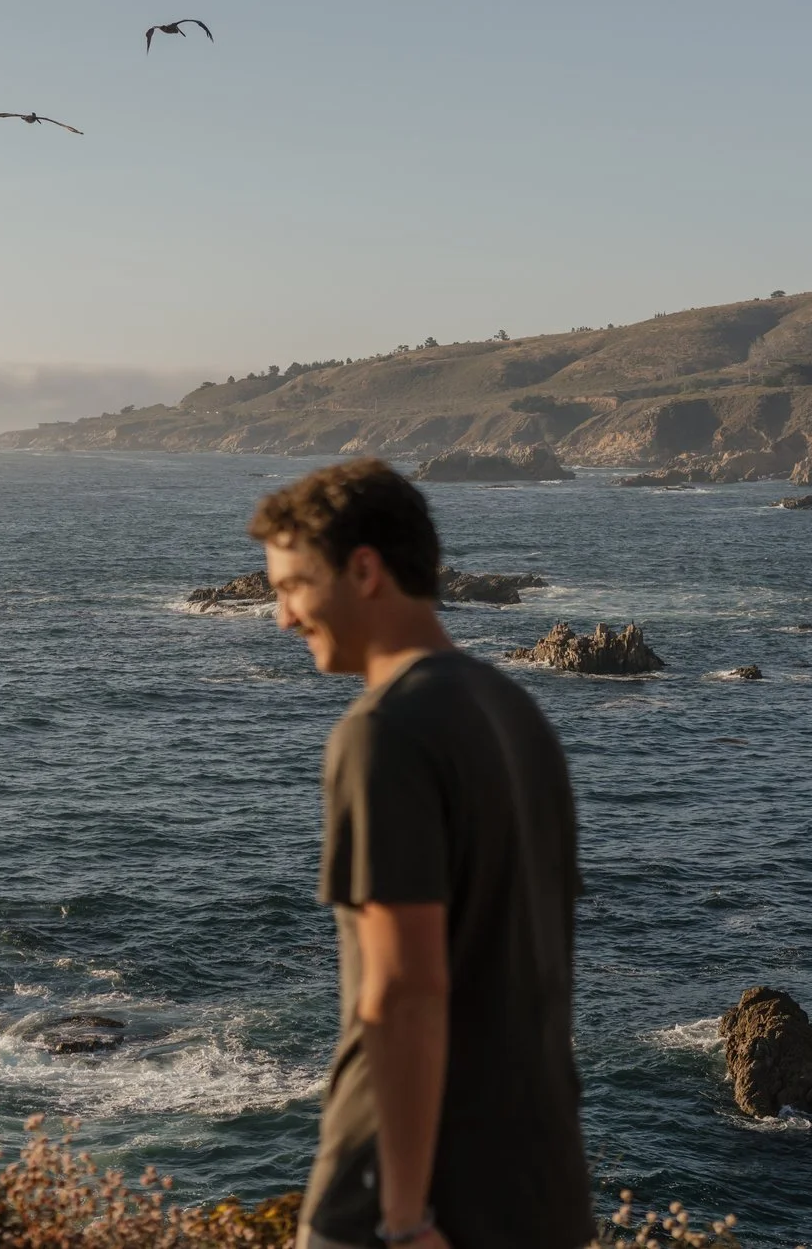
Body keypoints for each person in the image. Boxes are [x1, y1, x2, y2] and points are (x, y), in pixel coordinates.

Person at [250, 459, 591, 1249]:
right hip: (541, 1185)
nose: (282, 616)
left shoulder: (384, 732)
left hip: (413, 1194)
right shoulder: (516, 711)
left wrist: (402, 1220)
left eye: (293, 585)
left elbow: (404, 990)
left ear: (364, 569)